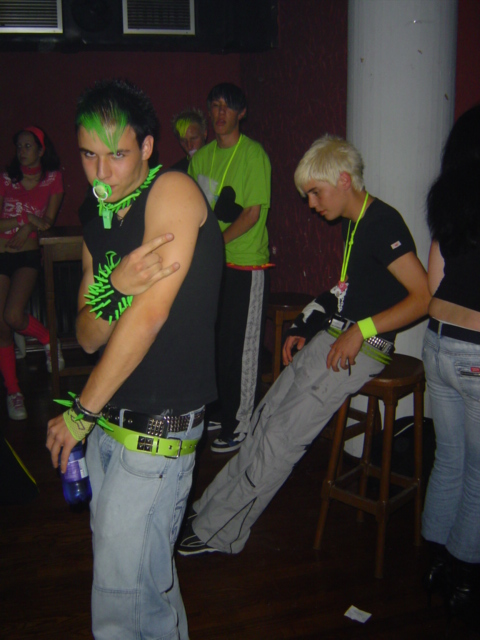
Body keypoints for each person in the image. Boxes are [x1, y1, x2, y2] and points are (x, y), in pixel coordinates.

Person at [178, 134, 430, 556]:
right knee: (264, 418)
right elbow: (347, 290)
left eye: (315, 192)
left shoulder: (383, 223)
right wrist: (305, 323)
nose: (311, 204)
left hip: (363, 347)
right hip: (337, 334)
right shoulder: (355, 222)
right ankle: (210, 509)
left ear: (344, 180)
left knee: (281, 437)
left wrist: (361, 330)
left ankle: (220, 533)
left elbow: (423, 297)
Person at [46, 79, 223, 639]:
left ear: (146, 147)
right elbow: (87, 334)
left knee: (121, 602)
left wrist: (79, 411)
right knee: (143, 586)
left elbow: (149, 316)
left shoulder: (172, 190)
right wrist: (115, 285)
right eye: (88, 156)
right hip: (109, 424)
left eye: (117, 155)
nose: (101, 173)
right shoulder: (96, 215)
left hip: (157, 426)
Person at [189, 82, 271, 453]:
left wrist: (214, 245)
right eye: (215, 105)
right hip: (212, 266)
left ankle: (241, 422)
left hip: (245, 264)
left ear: (241, 113)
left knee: (241, 348)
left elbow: (251, 214)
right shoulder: (201, 158)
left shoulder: (253, 155)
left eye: (227, 107)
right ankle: (221, 410)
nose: (220, 113)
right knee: (215, 344)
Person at [421, 104, 480, 622]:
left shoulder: (447, 198)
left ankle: (434, 563)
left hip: (437, 341)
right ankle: (463, 578)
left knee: (449, 459)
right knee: (478, 471)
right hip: (477, 350)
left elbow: (434, 281)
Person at [0, 126, 64, 420]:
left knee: (13, 315)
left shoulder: (52, 178)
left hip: (27, 254)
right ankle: (14, 392)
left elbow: (47, 222)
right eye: (19, 146)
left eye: (28, 146)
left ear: (41, 150)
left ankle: (49, 339)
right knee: (2, 327)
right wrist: (24, 220)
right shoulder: (6, 178)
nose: (22, 151)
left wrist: (29, 226)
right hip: (1, 252)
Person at [171, 107, 207, 172]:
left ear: (204, 133)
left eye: (193, 138)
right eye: (183, 141)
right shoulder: (177, 172)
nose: (189, 146)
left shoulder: (218, 161)